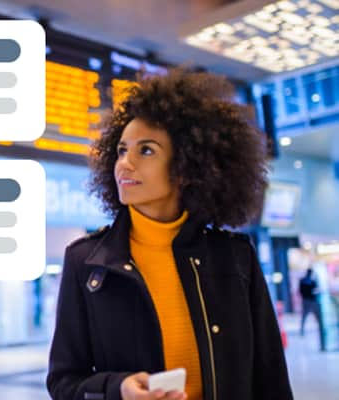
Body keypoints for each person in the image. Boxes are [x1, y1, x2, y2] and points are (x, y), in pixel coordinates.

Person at [47, 69, 292, 400]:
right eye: (121, 150)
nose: (125, 164)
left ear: (188, 167)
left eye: (145, 151)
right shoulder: (87, 262)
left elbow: (270, 375)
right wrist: (117, 389)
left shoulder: (235, 257)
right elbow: (63, 382)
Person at [299, 268, 325, 351]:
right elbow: (315, 290)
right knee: (305, 317)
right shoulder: (310, 281)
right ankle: (302, 330)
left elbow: (301, 291)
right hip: (310, 301)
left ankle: (302, 330)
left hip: (307, 300)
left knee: (304, 317)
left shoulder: (304, 280)